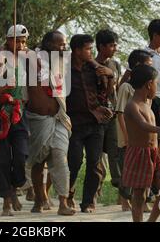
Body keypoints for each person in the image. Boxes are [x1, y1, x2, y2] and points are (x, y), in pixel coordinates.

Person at [26, 30, 75, 216]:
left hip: (59, 118)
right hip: (38, 120)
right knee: (38, 160)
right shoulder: (32, 58)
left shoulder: (63, 62)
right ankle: (39, 198)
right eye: (59, 44)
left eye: (64, 44)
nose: (63, 47)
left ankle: (63, 202)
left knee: (61, 157)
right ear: (47, 43)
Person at [0, 24, 30, 216]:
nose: (21, 45)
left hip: (19, 112)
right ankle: (6, 200)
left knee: (21, 155)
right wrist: (3, 88)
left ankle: (15, 186)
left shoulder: (24, 59)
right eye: (17, 41)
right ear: (8, 40)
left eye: (23, 41)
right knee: (1, 158)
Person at [66, 34, 114, 213]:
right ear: (77, 50)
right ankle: (68, 194)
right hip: (74, 123)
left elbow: (106, 92)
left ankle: (88, 202)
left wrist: (110, 75)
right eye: (87, 49)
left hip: (95, 122)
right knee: (74, 161)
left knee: (95, 163)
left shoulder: (95, 69)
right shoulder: (64, 69)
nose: (90, 52)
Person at [122, 65, 160, 222]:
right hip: (139, 153)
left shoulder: (148, 105)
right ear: (149, 84)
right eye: (156, 83)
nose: (157, 87)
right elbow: (142, 125)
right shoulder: (132, 106)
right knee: (139, 195)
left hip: (155, 154)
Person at [115, 49, 153, 212]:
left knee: (144, 169)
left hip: (142, 137)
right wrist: (126, 136)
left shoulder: (147, 91)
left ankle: (143, 201)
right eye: (148, 65)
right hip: (128, 136)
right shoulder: (126, 87)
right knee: (128, 168)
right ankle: (125, 200)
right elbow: (120, 113)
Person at [94, 29, 122, 203]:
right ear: (101, 46)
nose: (115, 48)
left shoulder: (115, 65)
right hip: (95, 117)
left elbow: (115, 89)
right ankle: (95, 192)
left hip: (112, 115)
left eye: (115, 45)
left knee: (116, 154)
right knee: (96, 156)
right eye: (111, 45)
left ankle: (122, 194)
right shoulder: (91, 65)